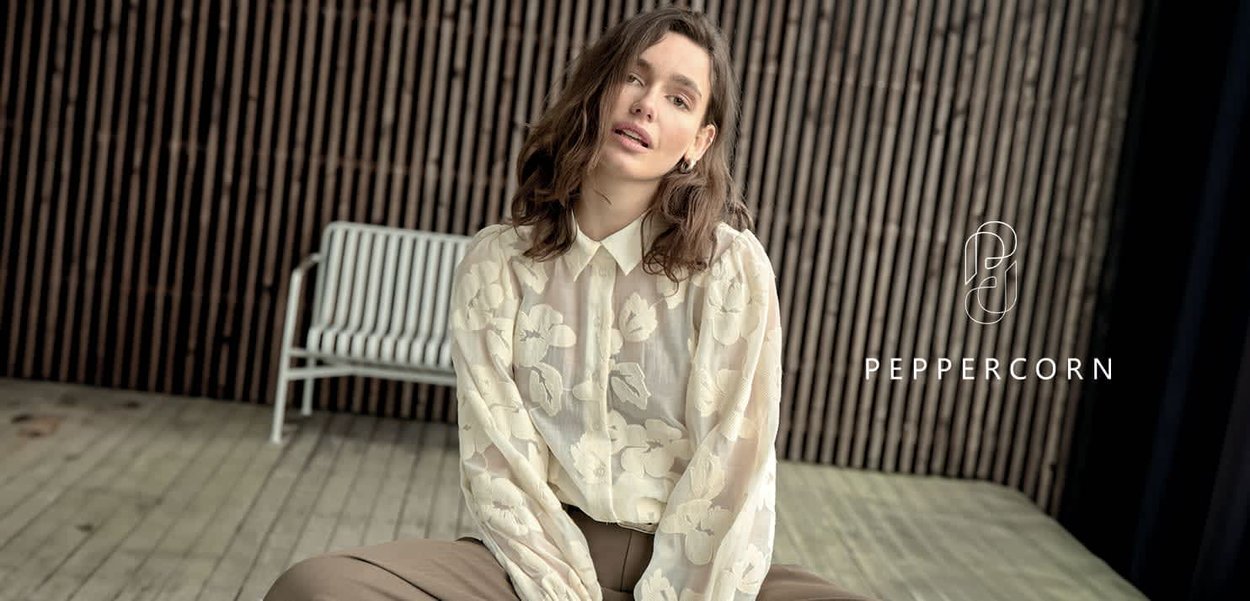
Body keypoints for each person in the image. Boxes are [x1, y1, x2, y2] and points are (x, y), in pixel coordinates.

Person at [265, 6, 876, 601]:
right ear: (597, 89)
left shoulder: (729, 269)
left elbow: (734, 472)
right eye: (634, 77)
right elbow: (500, 468)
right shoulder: (498, 265)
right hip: (535, 557)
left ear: (699, 141)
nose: (646, 103)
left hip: (703, 567)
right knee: (314, 589)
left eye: (679, 98)